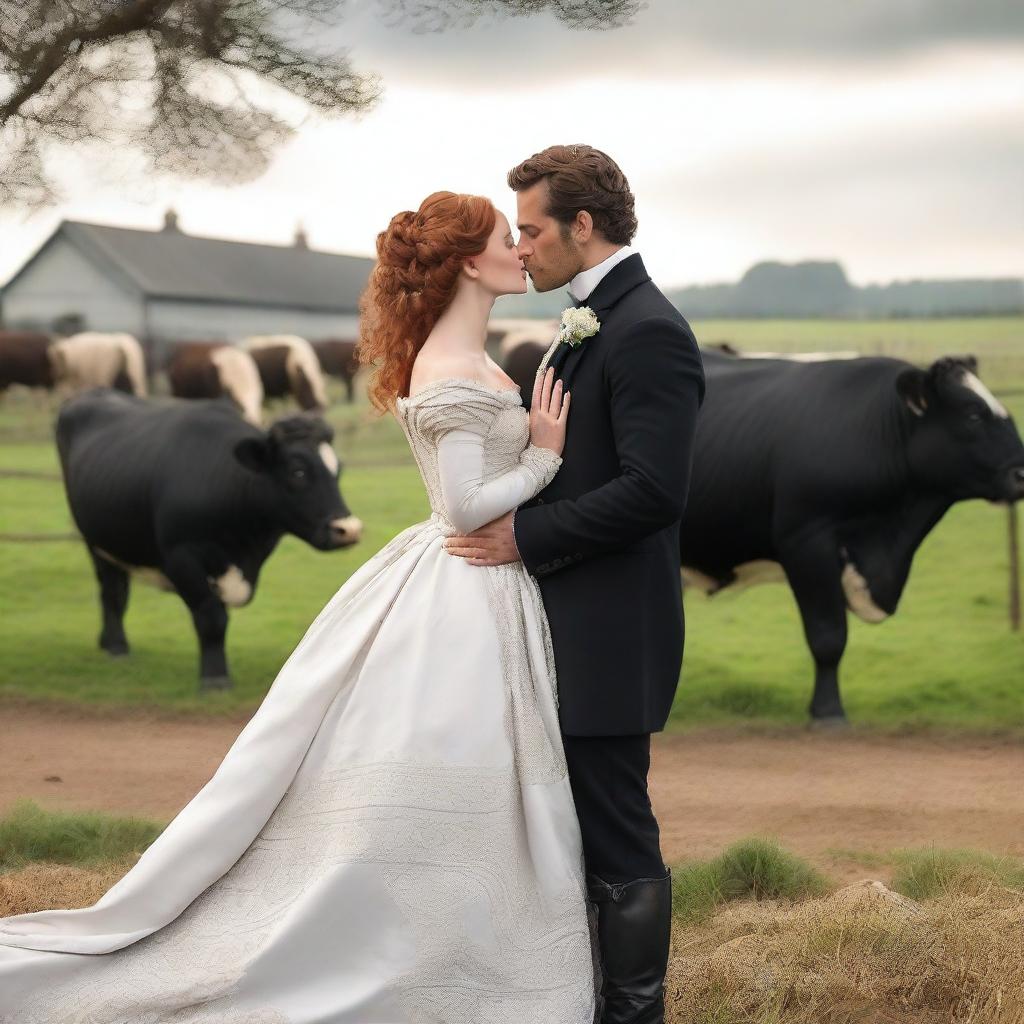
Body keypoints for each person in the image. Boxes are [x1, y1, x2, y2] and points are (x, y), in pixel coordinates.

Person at [0, 191, 596, 1023]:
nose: (521, 250)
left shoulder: (469, 356)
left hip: (478, 582)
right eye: (508, 238)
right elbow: (464, 508)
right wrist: (544, 457)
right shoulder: (454, 368)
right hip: (464, 578)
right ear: (469, 262)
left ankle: (459, 929)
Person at [444, 145, 706, 1024]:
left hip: (611, 634)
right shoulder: (590, 319)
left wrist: (526, 534)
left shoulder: (650, 330)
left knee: (618, 829)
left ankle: (635, 1014)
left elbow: (654, 491)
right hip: (568, 623)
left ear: (581, 226)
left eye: (531, 229)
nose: (521, 248)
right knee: (580, 835)